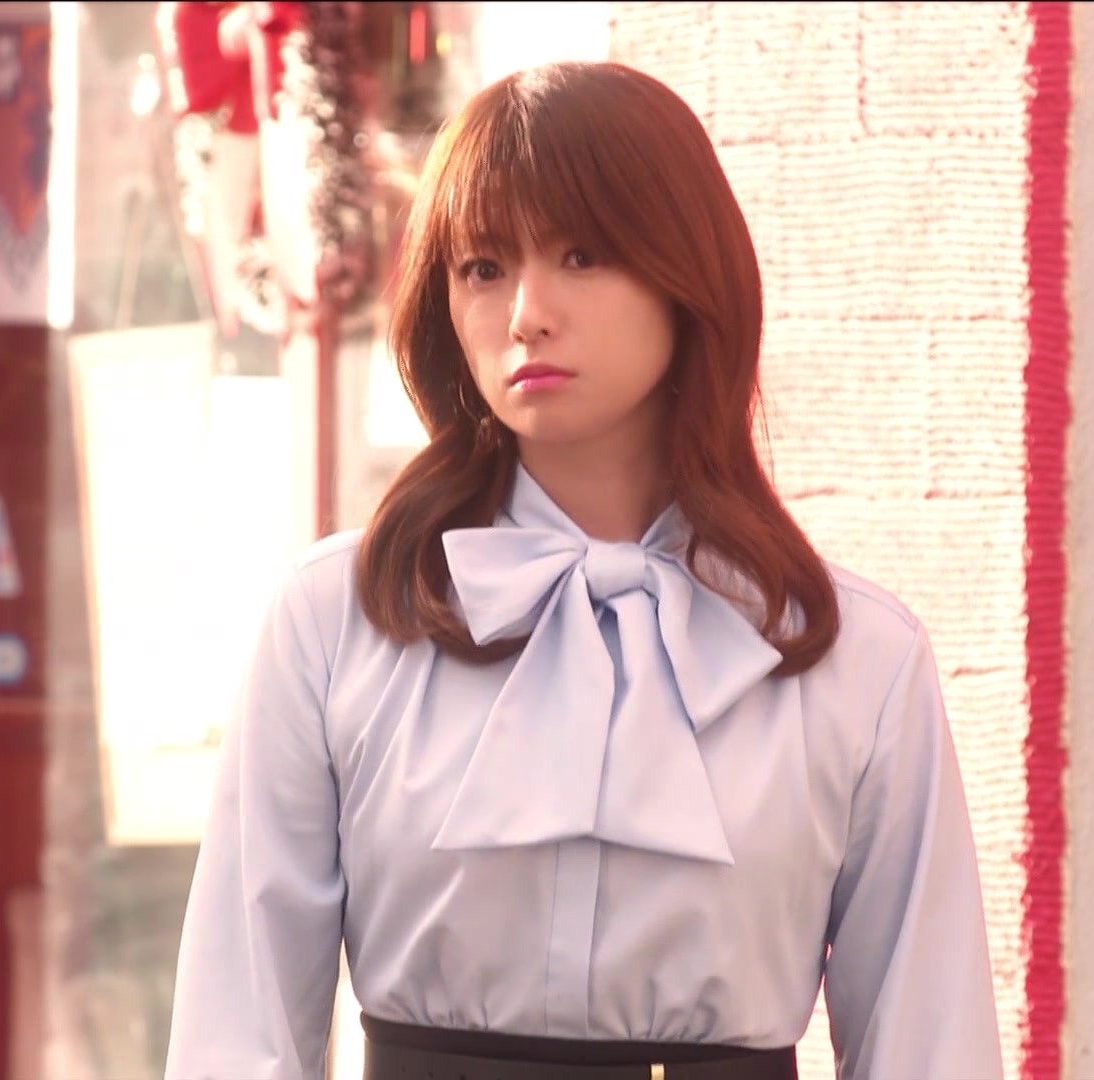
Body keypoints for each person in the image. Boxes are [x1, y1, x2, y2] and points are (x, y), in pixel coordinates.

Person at [164, 60, 1003, 1080]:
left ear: (687, 274)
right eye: (483, 267)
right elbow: (237, 1035)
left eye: (582, 254)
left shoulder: (856, 659)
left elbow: (930, 1047)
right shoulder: (337, 620)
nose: (527, 311)